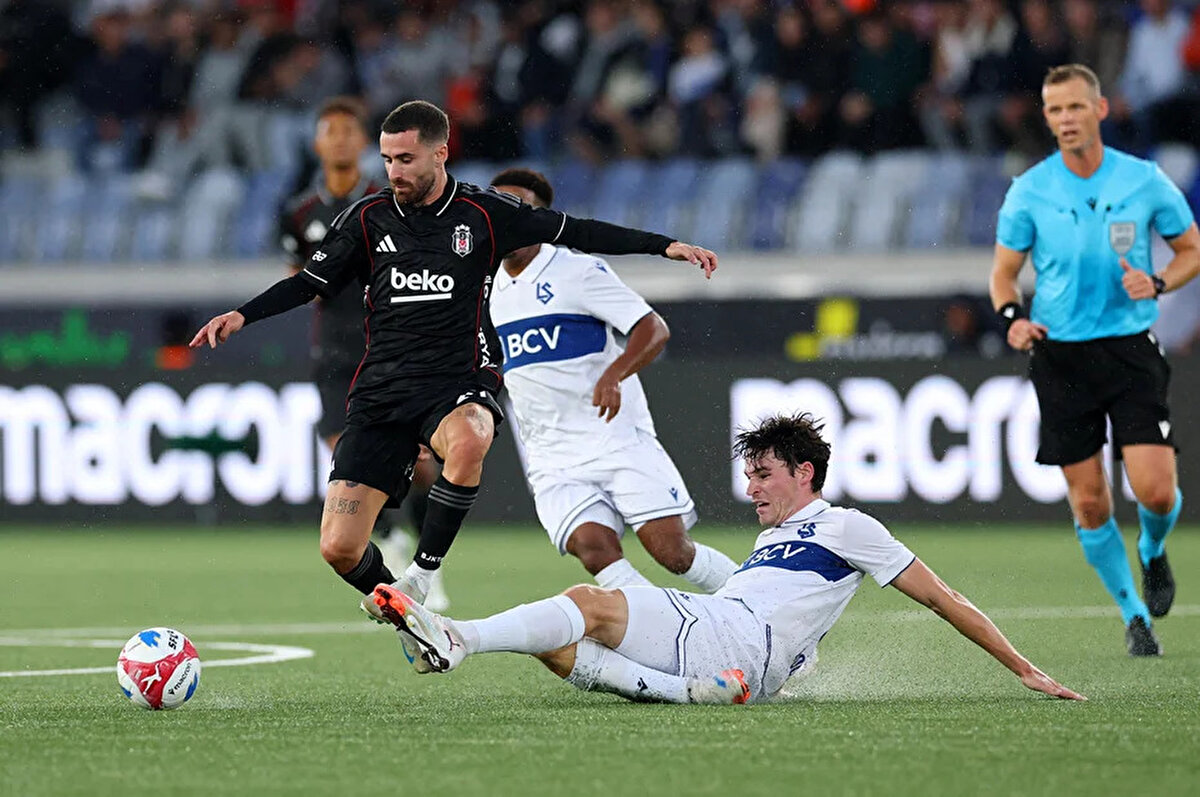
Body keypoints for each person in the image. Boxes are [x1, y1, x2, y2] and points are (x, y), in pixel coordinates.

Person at [189, 100, 717, 660]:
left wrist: (665, 246)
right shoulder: (367, 219)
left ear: (440, 153)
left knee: (469, 439)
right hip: (382, 391)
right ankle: (414, 619)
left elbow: (580, 230)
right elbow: (309, 283)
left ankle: (421, 574)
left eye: (407, 159)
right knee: (339, 549)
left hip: (456, 380)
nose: (394, 171)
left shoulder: (486, 214)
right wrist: (242, 314)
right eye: (388, 158)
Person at [368, 413, 1085, 705]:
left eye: (765, 474)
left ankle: (460, 640)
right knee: (558, 647)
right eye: (749, 476)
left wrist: (1022, 666)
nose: (752, 488)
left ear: (806, 472)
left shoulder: (849, 526)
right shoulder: (774, 542)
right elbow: (746, 587)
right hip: (731, 635)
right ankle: (698, 691)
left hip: (741, 639)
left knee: (583, 604)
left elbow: (943, 597)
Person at [989, 64, 1200, 656]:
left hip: (1129, 349)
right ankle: (1135, 616)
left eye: (1075, 108)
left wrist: (1159, 283)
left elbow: (1192, 249)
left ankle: (1153, 551)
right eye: (1054, 111)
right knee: (1088, 500)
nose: (1064, 120)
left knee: (1155, 493)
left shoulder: (1145, 181)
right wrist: (1013, 319)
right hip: (1060, 357)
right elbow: (1004, 275)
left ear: (1100, 110)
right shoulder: (1030, 188)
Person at [488, 167, 739, 592]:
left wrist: (614, 373)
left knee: (673, 554)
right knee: (594, 549)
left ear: (542, 219)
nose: (505, 219)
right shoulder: (485, 284)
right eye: (497, 209)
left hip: (613, 436)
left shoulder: (576, 271)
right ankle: (664, 632)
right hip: (550, 454)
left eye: (519, 209)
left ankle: (769, 614)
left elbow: (652, 328)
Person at [278, 96, 447, 609]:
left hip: (390, 352)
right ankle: (394, 541)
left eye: (350, 131)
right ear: (317, 143)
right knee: (350, 459)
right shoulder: (299, 213)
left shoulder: (388, 201)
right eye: (330, 130)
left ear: (364, 142)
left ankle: (421, 550)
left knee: (421, 468)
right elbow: (297, 279)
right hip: (333, 354)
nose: (340, 139)